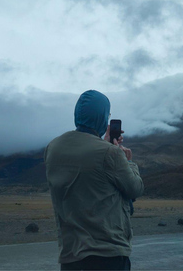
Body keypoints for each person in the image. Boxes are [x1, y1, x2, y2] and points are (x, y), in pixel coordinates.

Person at [45, 90, 144, 270]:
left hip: (70, 256)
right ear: (102, 116)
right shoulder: (110, 153)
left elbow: (87, 176)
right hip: (108, 254)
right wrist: (128, 162)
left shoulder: (53, 147)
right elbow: (135, 188)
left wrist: (102, 142)